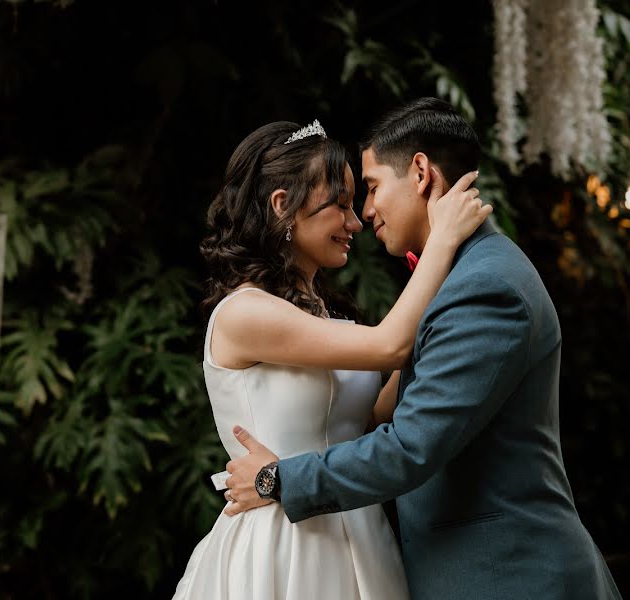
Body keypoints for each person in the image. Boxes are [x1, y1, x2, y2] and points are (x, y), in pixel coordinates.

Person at [222, 98, 622, 599]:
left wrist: (277, 480)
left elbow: (409, 445)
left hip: (508, 578)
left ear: (419, 173)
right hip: (324, 556)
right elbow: (383, 394)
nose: (365, 214)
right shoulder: (463, 279)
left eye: (369, 190)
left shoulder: (484, 288)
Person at [172, 114, 490, 599]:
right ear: (283, 206)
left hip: (359, 535)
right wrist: (441, 240)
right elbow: (391, 346)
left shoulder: (329, 316)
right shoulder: (245, 313)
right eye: (339, 206)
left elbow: (377, 417)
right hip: (284, 542)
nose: (356, 222)